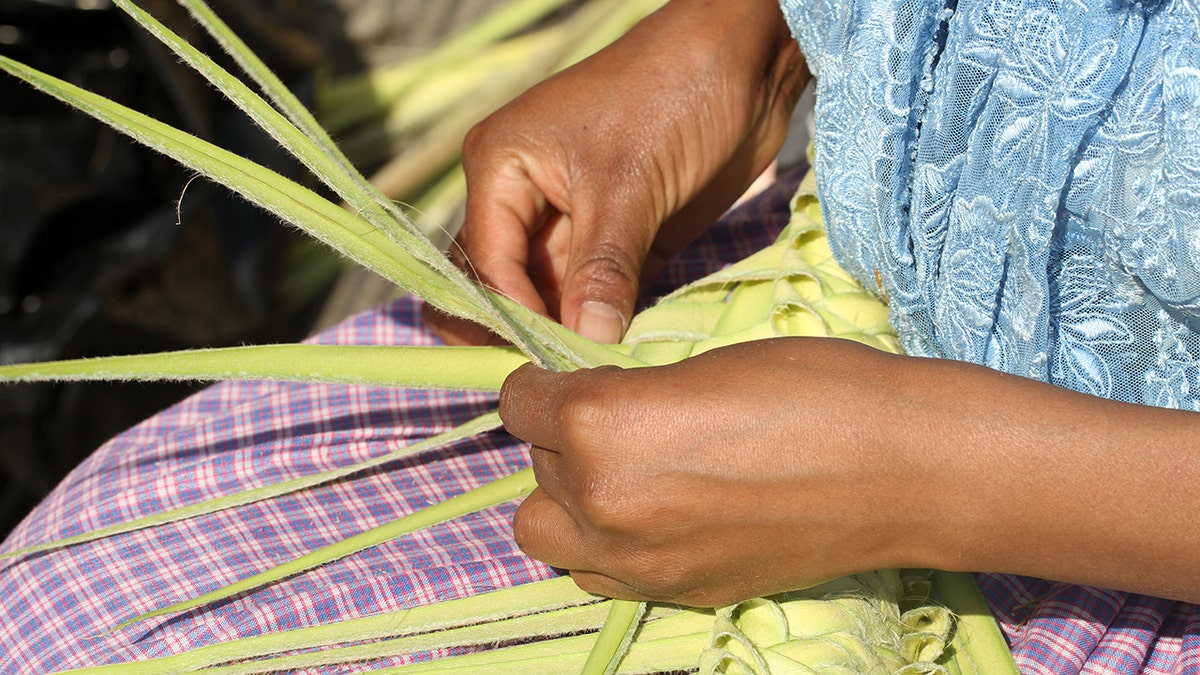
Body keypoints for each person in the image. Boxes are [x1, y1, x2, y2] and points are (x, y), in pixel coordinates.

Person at [1, 0, 1198, 672]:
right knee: (68, 620)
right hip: (831, 276)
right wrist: (749, 35)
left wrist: (931, 474)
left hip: (1114, 511)